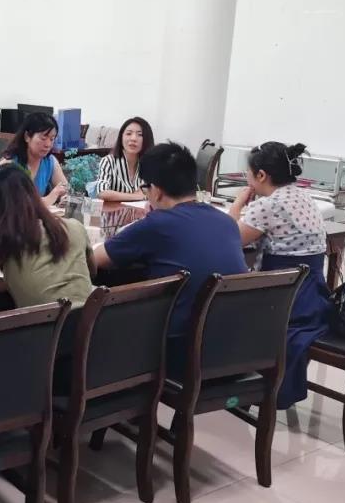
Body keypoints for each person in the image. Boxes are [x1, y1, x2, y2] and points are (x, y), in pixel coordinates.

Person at [93, 142, 247, 373]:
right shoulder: (227, 222)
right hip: (237, 351)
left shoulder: (157, 224)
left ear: (155, 190)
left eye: (145, 188)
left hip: (180, 353)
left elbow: (95, 259)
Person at [229, 141, 332, 409]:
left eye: (248, 172)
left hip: (285, 302)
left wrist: (238, 203)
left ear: (261, 175)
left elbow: (231, 238)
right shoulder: (302, 196)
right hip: (313, 295)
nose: (247, 177)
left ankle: (235, 382)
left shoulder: (269, 205)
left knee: (219, 303)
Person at [0, 164, 93, 309]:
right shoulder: (75, 227)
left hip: (46, 322)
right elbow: (91, 271)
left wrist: (13, 284)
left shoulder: (2, 237)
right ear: (33, 194)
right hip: (92, 318)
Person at [0, 112, 68, 205]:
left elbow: (65, 189)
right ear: (27, 136)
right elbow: (16, 205)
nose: (48, 144)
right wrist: (51, 197)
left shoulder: (50, 161)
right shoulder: (9, 165)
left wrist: (65, 198)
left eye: (52, 139)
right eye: (43, 138)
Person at [95, 117, 154, 202]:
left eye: (140, 134)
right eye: (128, 134)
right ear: (121, 137)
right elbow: (102, 192)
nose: (133, 138)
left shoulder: (150, 164)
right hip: (113, 210)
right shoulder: (109, 161)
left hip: (142, 210)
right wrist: (136, 196)